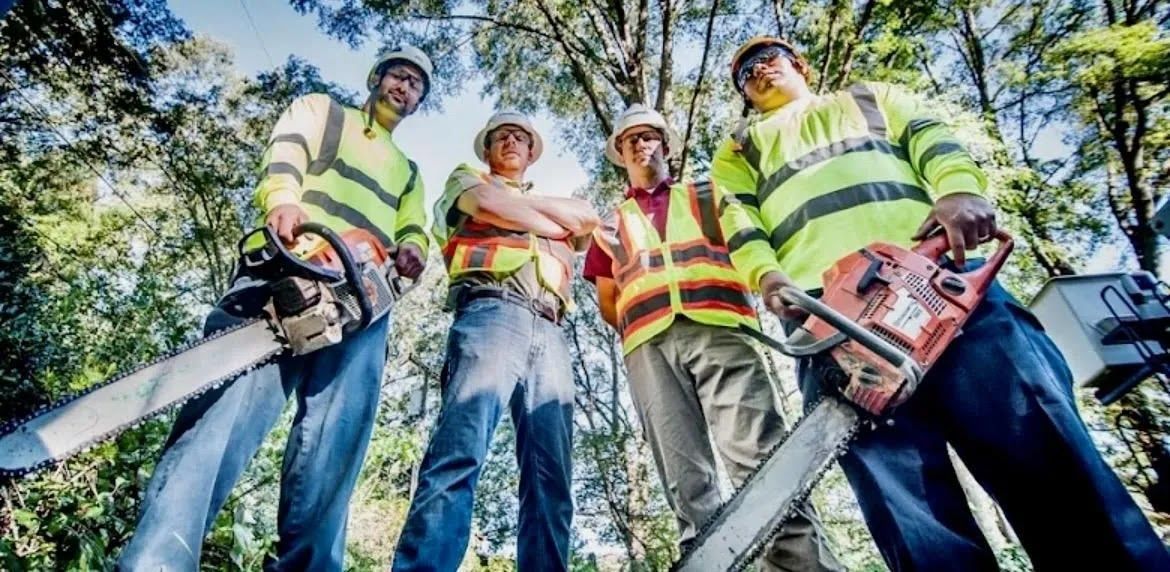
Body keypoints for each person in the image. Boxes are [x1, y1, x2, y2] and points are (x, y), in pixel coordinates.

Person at [711, 36, 1170, 571]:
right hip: (832, 318)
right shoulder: (740, 147)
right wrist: (767, 278)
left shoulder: (868, 98)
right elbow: (737, 219)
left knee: (1047, 459)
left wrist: (959, 190)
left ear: (800, 65)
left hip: (939, 281)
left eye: (768, 59)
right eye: (745, 72)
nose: (758, 71)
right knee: (911, 512)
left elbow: (934, 140)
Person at [117, 45, 433, 571]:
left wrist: (415, 249)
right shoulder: (323, 112)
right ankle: (157, 561)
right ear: (378, 78)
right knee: (224, 415)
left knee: (336, 444)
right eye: (399, 76)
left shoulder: (409, 172)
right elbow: (287, 153)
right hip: (289, 267)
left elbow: (414, 227)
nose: (406, 88)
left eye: (417, 85)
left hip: (360, 303)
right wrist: (283, 199)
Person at [584, 103, 843, 571]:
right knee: (686, 480)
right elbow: (607, 300)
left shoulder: (708, 194)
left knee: (761, 459)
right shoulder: (609, 223)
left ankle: (803, 567)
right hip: (649, 347)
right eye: (631, 141)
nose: (641, 145)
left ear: (665, 145)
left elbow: (750, 248)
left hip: (722, 329)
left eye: (649, 137)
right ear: (619, 154)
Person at [391, 111, 599, 571]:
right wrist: (551, 218)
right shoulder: (467, 179)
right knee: (459, 451)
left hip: (551, 327)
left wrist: (535, 211)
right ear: (487, 149)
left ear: (531, 152)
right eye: (501, 136)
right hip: (491, 311)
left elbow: (587, 218)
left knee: (552, 477)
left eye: (521, 138)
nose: (511, 142)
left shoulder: (554, 199)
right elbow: (487, 206)